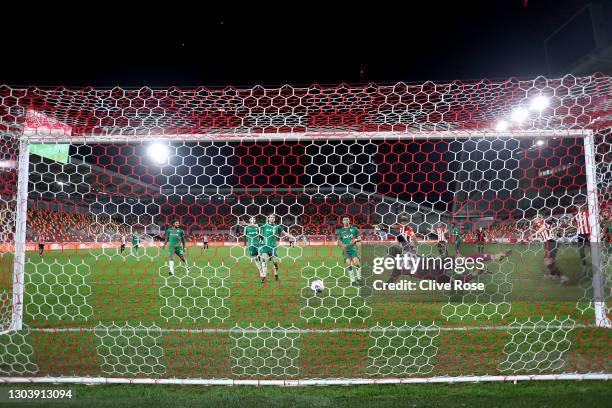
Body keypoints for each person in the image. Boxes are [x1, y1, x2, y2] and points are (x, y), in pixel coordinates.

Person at [337, 216, 362, 285]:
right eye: (344, 220)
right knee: (348, 264)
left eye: (347, 220)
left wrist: (355, 240)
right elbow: (338, 242)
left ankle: (359, 277)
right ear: (342, 222)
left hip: (353, 249)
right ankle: (352, 280)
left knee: (356, 262)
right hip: (346, 250)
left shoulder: (354, 229)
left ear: (349, 221)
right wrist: (342, 245)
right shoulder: (340, 231)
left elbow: (360, 237)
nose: (346, 221)